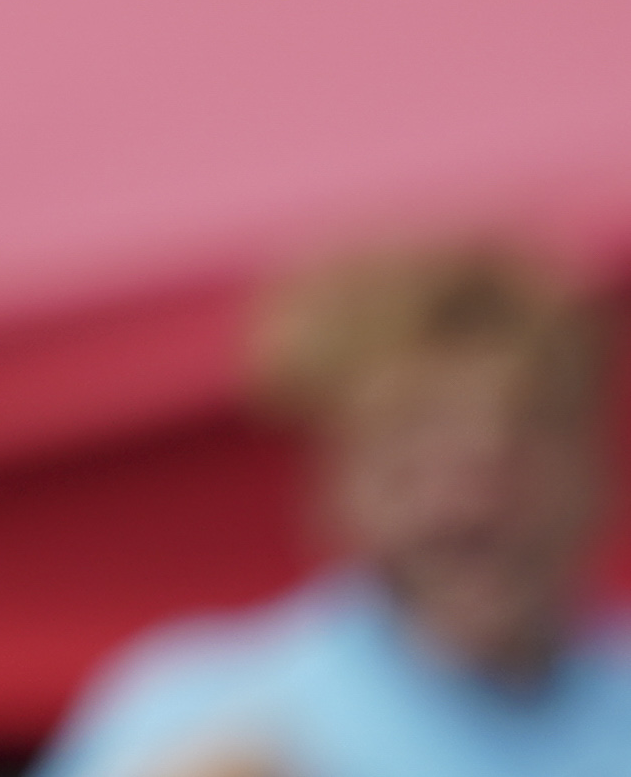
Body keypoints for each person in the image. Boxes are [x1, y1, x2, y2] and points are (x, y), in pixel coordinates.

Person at [34, 244, 630, 777]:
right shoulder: (199, 713)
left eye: (517, 454)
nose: (473, 501)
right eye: (414, 457)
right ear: (335, 487)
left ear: (591, 472)